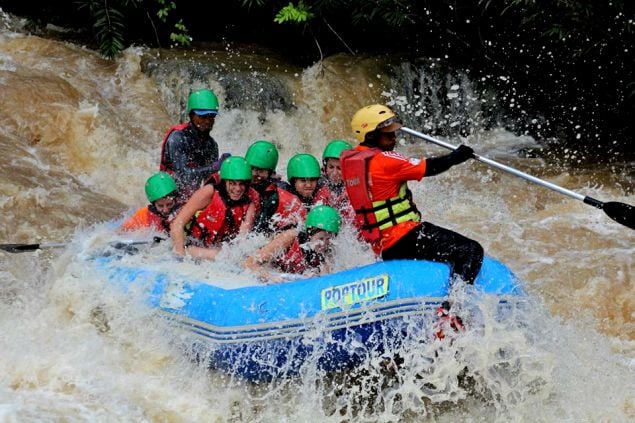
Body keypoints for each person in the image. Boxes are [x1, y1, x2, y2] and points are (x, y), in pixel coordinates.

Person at [341, 104, 484, 285]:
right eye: (387, 133)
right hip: (404, 237)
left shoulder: (353, 160)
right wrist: (456, 157)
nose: (393, 137)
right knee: (470, 250)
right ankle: (453, 307)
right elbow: (429, 167)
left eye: (393, 132)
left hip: (384, 246)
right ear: (370, 135)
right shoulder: (385, 160)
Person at [170, 156, 259, 260]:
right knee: (218, 255)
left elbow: (243, 238)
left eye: (241, 184)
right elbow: (177, 224)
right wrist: (180, 256)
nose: (238, 189)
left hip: (220, 251)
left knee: (226, 256)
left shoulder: (249, 205)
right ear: (225, 181)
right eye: (233, 183)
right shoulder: (209, 192)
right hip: (191, 247)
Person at [160, 89, 228, 200]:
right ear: (191, 115)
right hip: (168, 201)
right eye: (202, 116)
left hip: (191, 198)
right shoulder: (178, 138)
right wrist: (214, 167)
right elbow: (183, 176)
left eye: (211, 116)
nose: (207, 121)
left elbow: (208, 181)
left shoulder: (211, 145)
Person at [243, 205, 341, 282]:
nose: (324, 244)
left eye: (328, 239)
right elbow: (249, 263)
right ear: (310, 233)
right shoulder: (290, 237)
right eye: (320, 238)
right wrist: (271, 276)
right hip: (255, 263)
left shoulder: (329, 250)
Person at [245, 140, 305, 234]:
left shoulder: (276, 193)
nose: (254, 174)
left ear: (271, 173)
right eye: (252, 168)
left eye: (260, 171)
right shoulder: (238, 182)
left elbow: (258, 230)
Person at [319, 139, 354, 222]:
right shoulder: (318, 182)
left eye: (339, 168)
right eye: (331, 167)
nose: (334, 173)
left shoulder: (353, 184)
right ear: (325, 167)